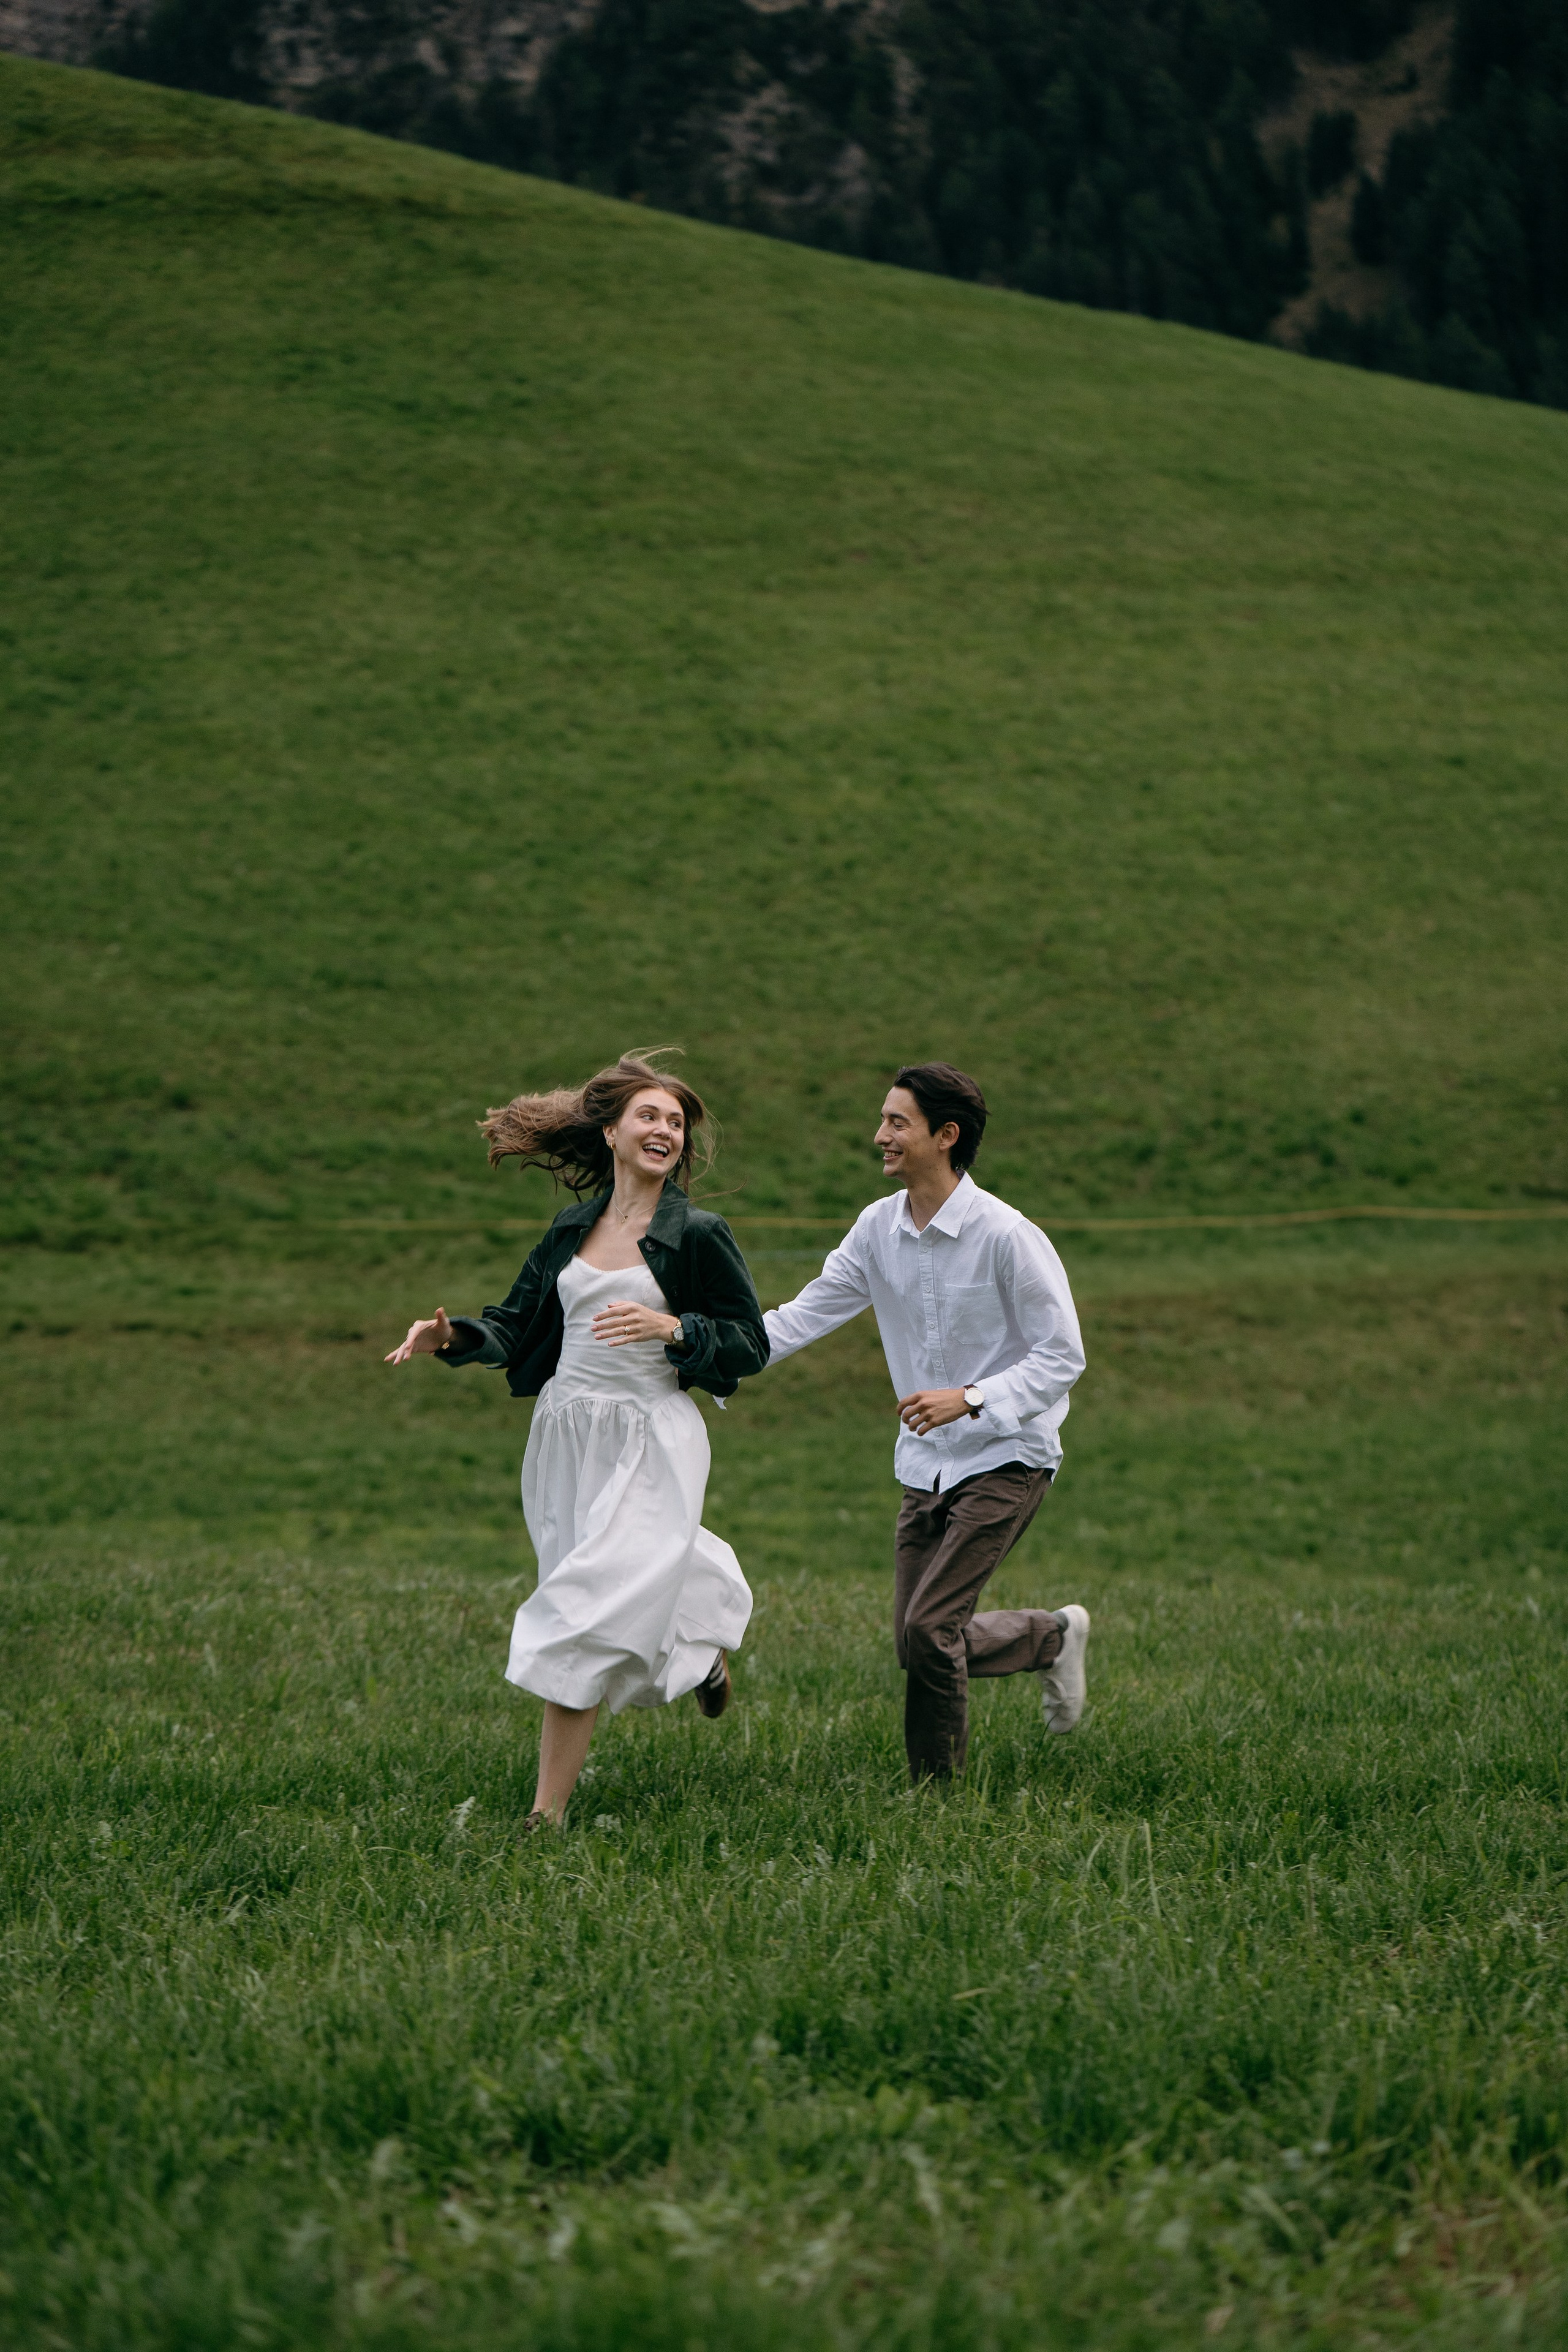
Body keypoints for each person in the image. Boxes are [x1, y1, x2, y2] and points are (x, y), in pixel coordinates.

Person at [386, 1054, 767, 1830]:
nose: (665, 1130)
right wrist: (452, 1336)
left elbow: (747, 1345)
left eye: (675, 1122)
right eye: (649, 1116)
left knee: (582, 1611)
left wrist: (676, 1328)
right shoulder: (571, 1227)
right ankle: (700, 1644)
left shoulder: (697, 1234)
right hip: (565, 1434)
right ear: (611, 1130)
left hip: (652, 1434)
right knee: (608, 1573)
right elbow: (514, 1325)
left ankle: (544, 1818)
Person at [762, 1063, 1089, 1785]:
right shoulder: (876, 1228)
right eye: (882, 1119)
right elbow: (800, 1317)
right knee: (919, 1643)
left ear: (946, 1137)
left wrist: (971, 1398)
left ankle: (934, 1793)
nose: (879, 1135)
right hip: (924, 1462)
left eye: (896, 1123)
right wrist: (696, 1348)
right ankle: (1050, 1638)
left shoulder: (1008, 1235)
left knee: (928, 1628)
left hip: (1008, 1452)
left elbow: (1063, 1355)